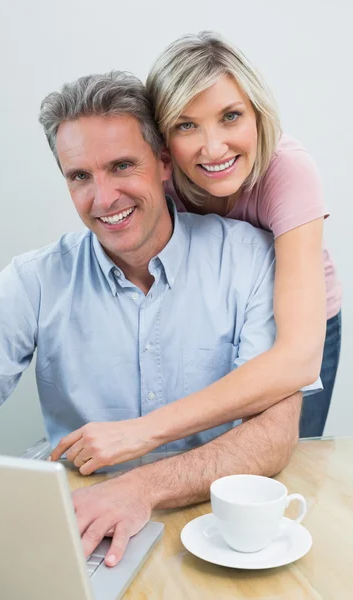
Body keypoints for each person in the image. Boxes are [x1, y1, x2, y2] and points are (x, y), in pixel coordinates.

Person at [0, 71, 315, 565]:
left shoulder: (248, 258)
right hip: (85, 533)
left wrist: (142, 487)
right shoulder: (34, 281)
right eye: (80, 176)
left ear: (164, 163)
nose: (103, 199)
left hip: (216, 530)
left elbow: (275, 434)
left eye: (121, 166)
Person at [144, 31, 341, 440]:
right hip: (214, 323)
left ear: (257, 114)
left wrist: (147, 430)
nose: (214, 149)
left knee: (285, 463)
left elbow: (298, 357)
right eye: (186, 125)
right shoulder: (158, 182)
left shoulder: (287, 171)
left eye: (230, 116)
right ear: (163, 140)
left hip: (299, 329)